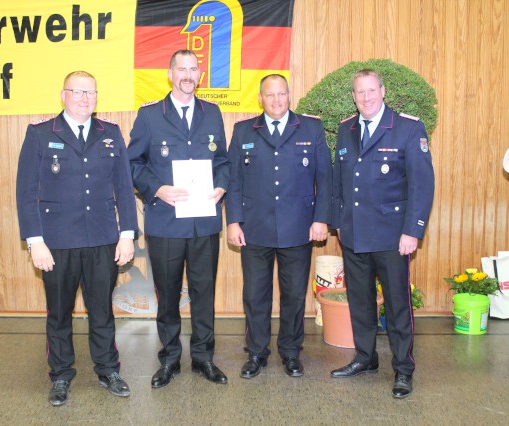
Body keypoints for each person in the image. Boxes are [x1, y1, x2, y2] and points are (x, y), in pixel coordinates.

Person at [16, 71, 138, 406]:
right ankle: (60, 375)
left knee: (102, 311)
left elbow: (125, 190)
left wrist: (127, 234)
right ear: (63, 94)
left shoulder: (110, 134)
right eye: (78, 92)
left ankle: (108, 369)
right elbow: (26, 193)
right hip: (57, 243)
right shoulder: (41, 134)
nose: (85, 98)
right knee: (59, 313)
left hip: (102, 239)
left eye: (91, 93)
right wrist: (34, 241)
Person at [127, 50, 230, 388]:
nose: (188, 75)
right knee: (168, 294)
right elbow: (132, 164)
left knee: (204, 292)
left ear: (199, 75)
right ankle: (170, 358)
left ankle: (203, 358)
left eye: (193, 69)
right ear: (170, 74)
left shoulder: (212, 114)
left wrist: (221, 186)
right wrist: (157, 189)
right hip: (166, 223)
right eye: (181, 69)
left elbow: (223, 162)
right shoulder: (149, 115)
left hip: (203, 223)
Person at [330, 69, 435, 399]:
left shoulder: (407, 127)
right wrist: (338, 223)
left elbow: (422, 184)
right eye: (359, 92)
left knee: (397, 304)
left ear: (383, 91)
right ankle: (366, 358)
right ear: (353, 96)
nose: (366, 97)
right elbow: (338, 182)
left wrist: (412, 231)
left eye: (371, 90)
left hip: (393, 237)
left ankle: (403, 368)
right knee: (360, 301)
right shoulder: (346, 129)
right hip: (355, 234)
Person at [226, 74, 332, 379]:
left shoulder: (311, 128)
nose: (276, 100)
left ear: (289, 95)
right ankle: (256, 352)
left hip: (298, 227)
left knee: (294, 295)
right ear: (260, 98)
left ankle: (290, 351)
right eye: (270, 95)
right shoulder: (244, 129)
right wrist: (233, 221)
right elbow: (234, 181)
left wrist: (320, 218)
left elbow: (325, 179)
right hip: (254, 228)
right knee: (255, 295)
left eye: (281, 94)